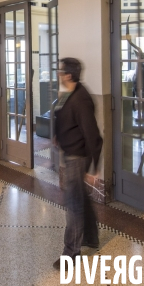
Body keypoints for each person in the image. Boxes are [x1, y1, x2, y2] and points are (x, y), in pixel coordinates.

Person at [52, 57, 103, 270]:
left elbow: (93, 135)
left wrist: (94, 168)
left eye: (61, 72)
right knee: (80, 198)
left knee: (73, 205)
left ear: (69, 75)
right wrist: (58, 136)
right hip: (70, 153)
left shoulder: (81, 99)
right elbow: (64, 117)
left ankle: (71, 253)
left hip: (77, 158)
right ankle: (91, 237)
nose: (59, 75)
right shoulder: (71, 93)